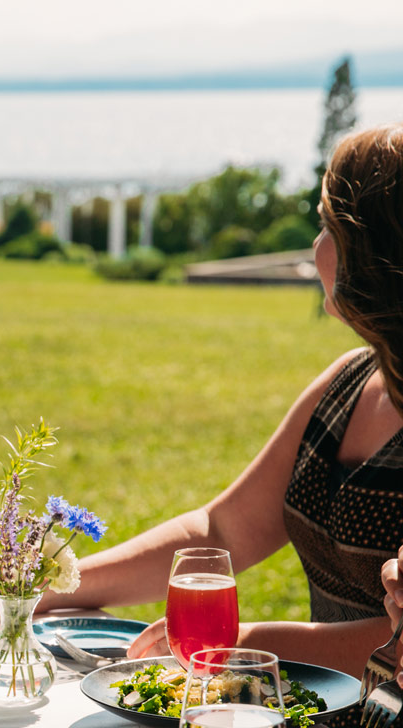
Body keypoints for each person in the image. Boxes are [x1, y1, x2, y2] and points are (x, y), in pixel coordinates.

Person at [40, 122, 403, 678]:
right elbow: (223, 532)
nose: (315, 246)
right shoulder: (349, 383)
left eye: (328, 226)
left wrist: (239, 646)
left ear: (374, 251)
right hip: (311, 722)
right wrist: (51, 588)